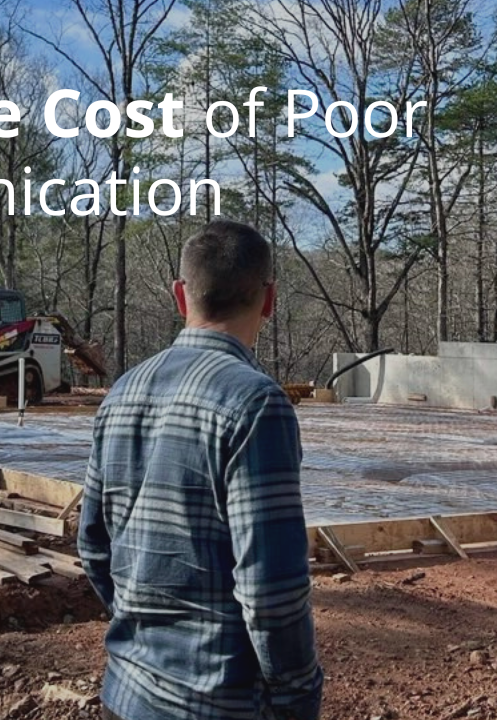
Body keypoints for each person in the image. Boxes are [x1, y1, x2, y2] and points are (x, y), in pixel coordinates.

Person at [78, 219, 323, 720]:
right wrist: (298, 696)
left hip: (126, 692)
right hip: (215, 703)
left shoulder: (122, 392)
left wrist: (143, 633)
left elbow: (93, 546)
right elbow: (270, 591)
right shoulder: (256, 404)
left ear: (179, 296)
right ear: (269, 299)